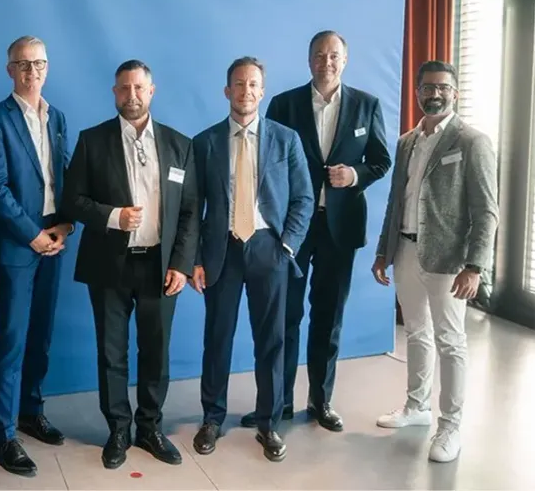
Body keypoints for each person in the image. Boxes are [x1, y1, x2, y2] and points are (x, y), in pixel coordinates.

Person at [242, 31, 392, 431]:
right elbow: (266, 162)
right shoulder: (284, 104)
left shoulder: (367, 105)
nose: (327, 62)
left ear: (345, 60)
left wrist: (354, 175)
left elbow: (381, 160)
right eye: (320, 55)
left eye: (334, 56)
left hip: (340, 228)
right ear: (309, 60)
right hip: (293, 227)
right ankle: (279, 402)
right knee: (285, 316)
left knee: (329, 316)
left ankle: (321, 401)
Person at [61, 59, 199, 469]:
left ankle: (150, 427)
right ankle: (118, 429)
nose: (132, 95)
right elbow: (72, 201)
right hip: (109, 264)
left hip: (161, 266)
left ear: (151, 91)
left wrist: (181, 264)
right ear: (114, 93)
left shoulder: (179, 145)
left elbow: (190, 211)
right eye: (124, 88)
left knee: (156, 351)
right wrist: (112, 216)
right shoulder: (92, 141)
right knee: (112, 352)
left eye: (139, 88)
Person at [372, 60, 498, 463]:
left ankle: (450, 427)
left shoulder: (472, 141)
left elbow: (487, 210)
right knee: (416, 333)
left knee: (451, 341)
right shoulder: (406, 142)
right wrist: (383, 251)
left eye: (443, 87)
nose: (435, 94)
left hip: (449, 261)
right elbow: (395, 202)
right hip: (406, 251)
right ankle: (417, 407)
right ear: (417, 93)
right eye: (427, 87)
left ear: (455, 93)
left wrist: (475, 266)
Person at [190, 57, 314, 462]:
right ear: (227, 91)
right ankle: (212, 418)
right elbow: (192, 206)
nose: (246, 91)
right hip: (221, 250)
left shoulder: (286, 139)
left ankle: (269, 423)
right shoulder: (205, 142)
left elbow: (303, 198)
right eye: (239, 84)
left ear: (263, 91)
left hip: (268, 248)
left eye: (253, 84)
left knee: (272, 341)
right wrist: (195, 258)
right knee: (217, 338)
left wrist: (287, 245)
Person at [0, 36, 74, 476]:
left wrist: (66, 225)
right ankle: (4, 435)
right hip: (18, 240)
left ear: (47, 68)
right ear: (10, 70)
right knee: (12, 338)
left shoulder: (58, 117)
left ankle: (31, 411)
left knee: (42, 334)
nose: (32, 71)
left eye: (39, 63)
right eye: (23, 64)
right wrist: (32, 235)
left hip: (54, 235)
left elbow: (66, 176)